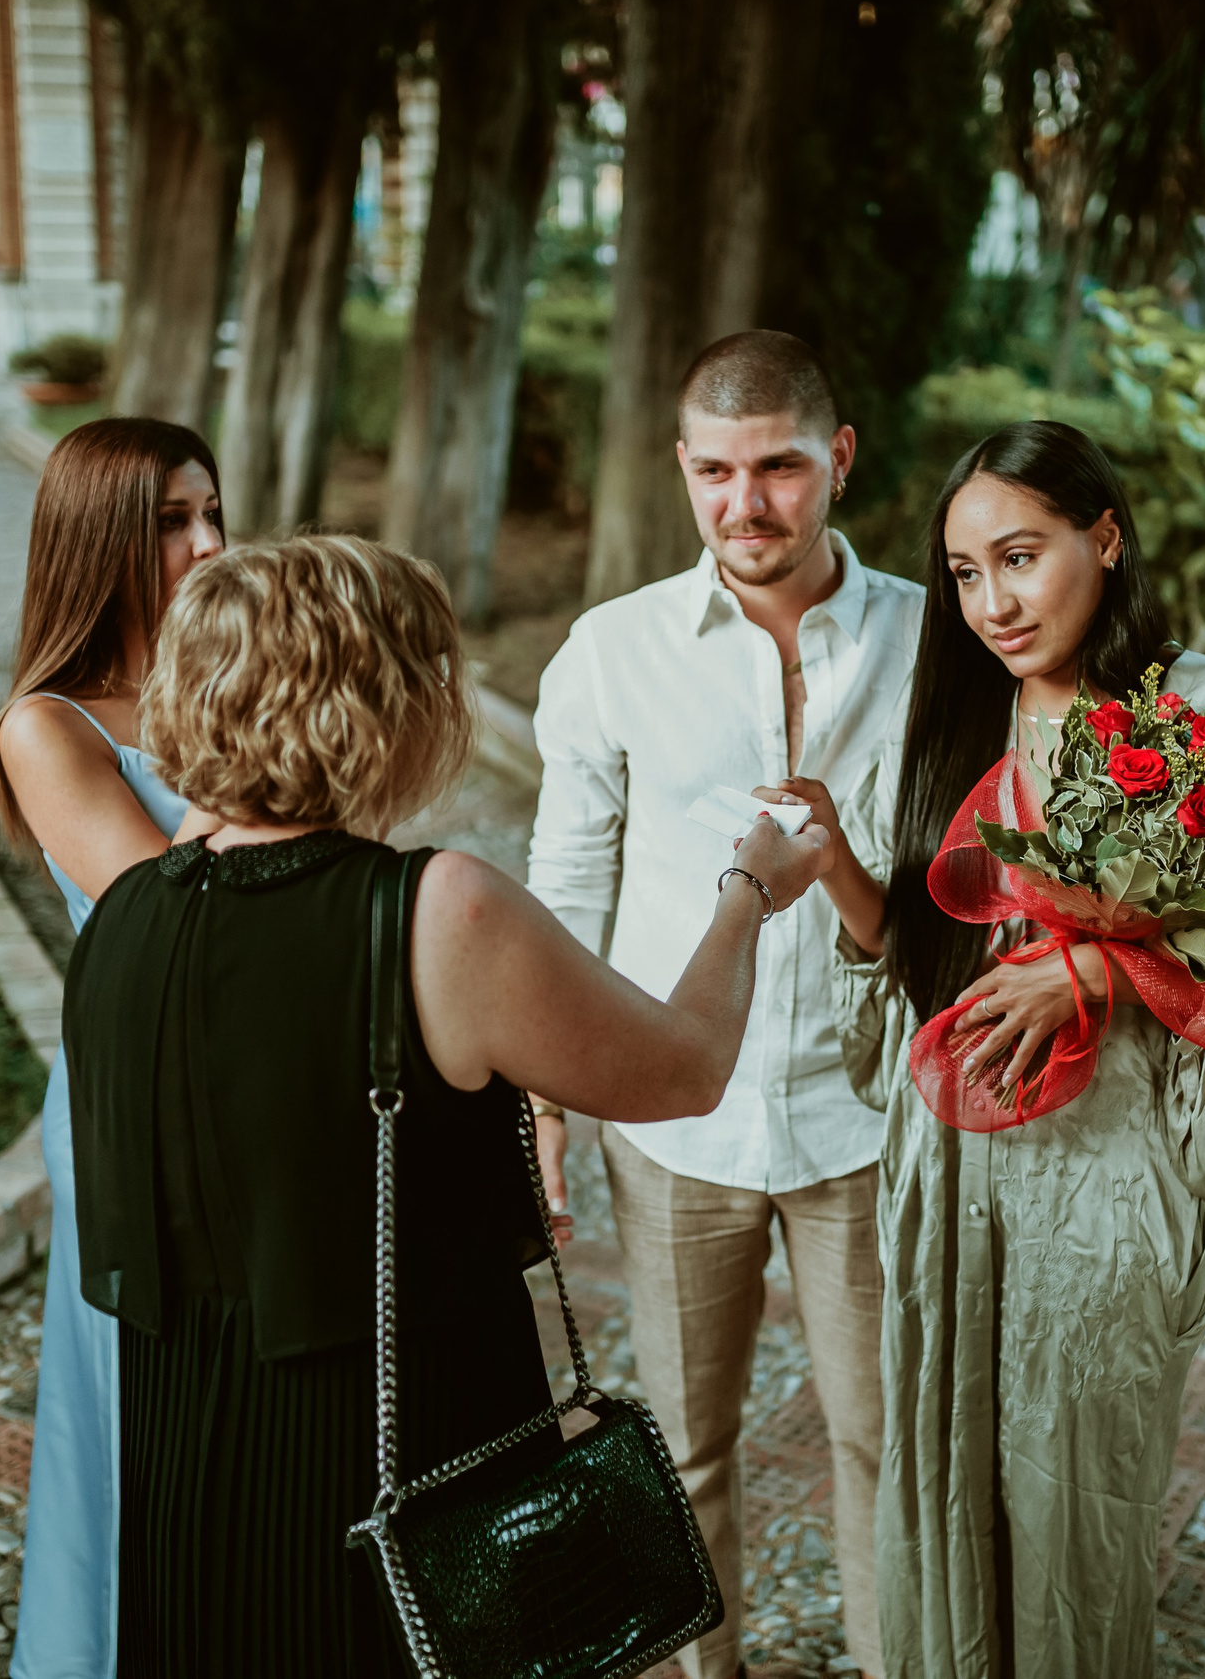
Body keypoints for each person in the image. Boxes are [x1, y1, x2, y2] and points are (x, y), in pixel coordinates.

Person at [62, 533, 834, 1678]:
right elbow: (680, 1072)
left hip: (186, 1454)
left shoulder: (125, 917)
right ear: (383, 702)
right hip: (399, 1455)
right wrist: (749, 895)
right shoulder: (435, 911)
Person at [822, 421, 1205, 1679]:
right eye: (965, 575)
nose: (992, 602)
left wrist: (1096, 967)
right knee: (946, 1484)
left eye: (1019, 557)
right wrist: (827, 871)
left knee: (1080, 1496)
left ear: (1105, 534)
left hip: (1104, 1179)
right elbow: (910, 972)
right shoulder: (947, 726)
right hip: (947, 1181)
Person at [525, 330, 920, 1679]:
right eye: (716, 471)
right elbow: (567, 882)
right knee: (683, 1441)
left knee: (887, 1441)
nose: (746, 504)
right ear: (682, 469)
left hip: (870, 1115)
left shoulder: (937, 640)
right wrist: (545, 1101)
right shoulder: (611, 649)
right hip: (675, 1121)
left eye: (779, 468)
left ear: (839, 459)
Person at [0, 417, 224, 1679]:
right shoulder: (49, 725)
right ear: (102, 540)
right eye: (174, 520)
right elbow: (162, 904)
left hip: (256, 1076)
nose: (209, 543)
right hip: (135, 1095)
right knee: (136, 1398)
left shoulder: (223, 680)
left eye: (213, 513)